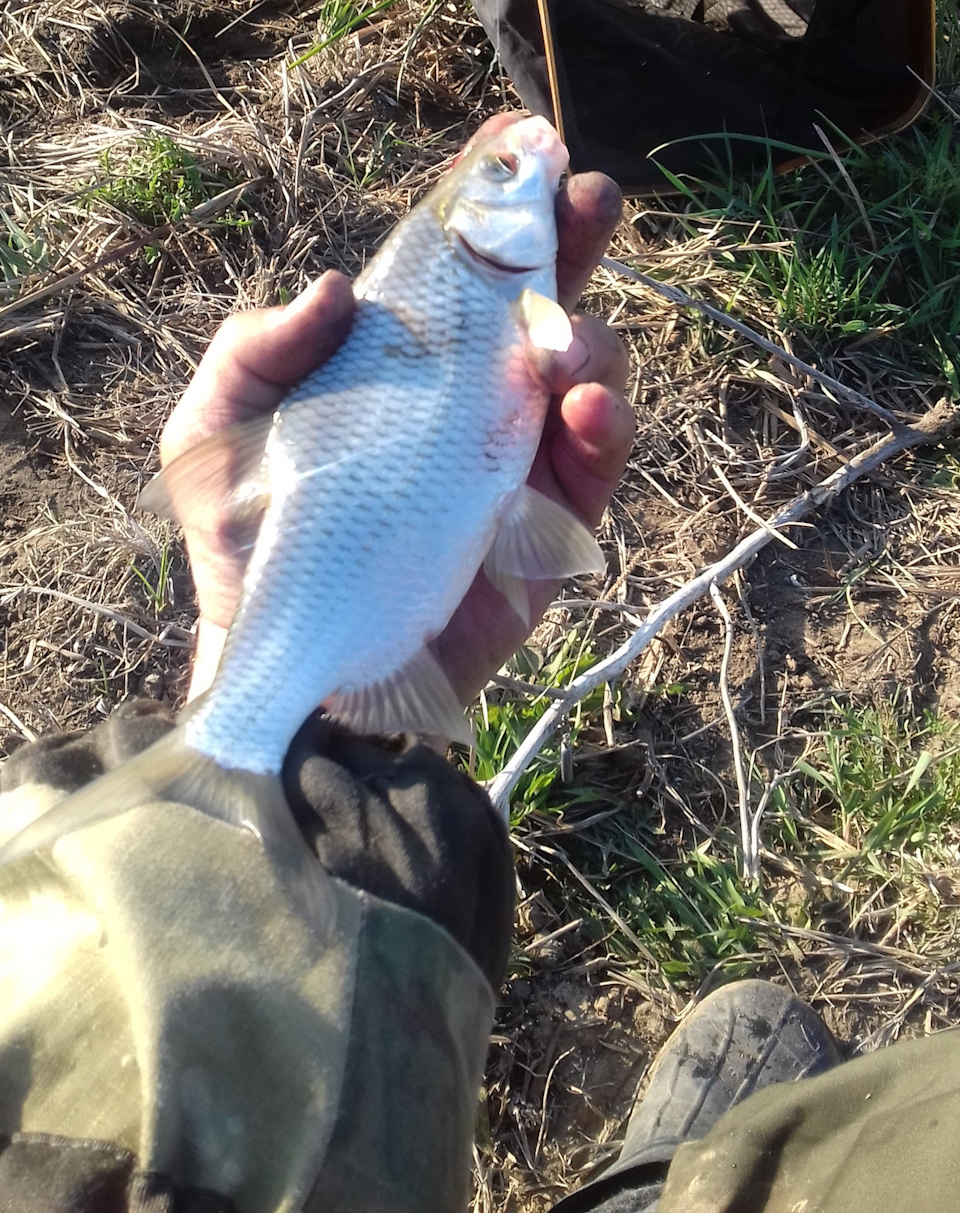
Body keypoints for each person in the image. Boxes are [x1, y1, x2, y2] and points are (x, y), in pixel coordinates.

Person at [0, 117, 955, 1213]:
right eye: (502, 174)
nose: (532, 163)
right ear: (466, 226)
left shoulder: (506, 287)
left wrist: (250, 673)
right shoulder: (486, 285)